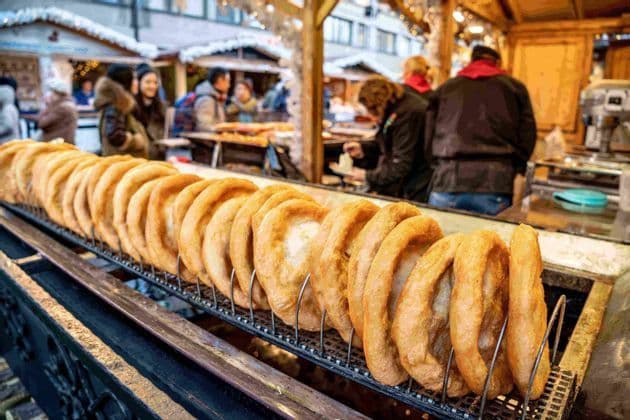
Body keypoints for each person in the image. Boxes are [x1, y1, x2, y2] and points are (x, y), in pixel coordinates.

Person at [425, 45, 537, 216]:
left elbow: (428, 134)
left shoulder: (446, 88)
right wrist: (517, 167)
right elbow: (528, 134)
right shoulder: (515, 88)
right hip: (496, 180)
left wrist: (435, 164)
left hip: (448, 178)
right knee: (489, 242)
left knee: (443, 241)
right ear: (497, 63)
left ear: (472, 61)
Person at [343, 76, 432, 202]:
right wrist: (363, 148)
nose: (371, 116)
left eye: (371, 111)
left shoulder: (407, 114)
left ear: (378, 104)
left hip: (416, 186)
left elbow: (401, 164)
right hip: (408, 184)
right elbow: (390, 142)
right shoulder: (398, 107)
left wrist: (367, 176)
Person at [94, 64, 149, 158]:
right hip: (123, 166)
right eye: (134, 78)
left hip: (125, 164)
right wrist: (136, 141)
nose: (137, 82)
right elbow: (115, 136)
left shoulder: (120, 103)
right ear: (125, 81)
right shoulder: (116, 105)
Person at [133, 63, 164, 158]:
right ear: (138, 83)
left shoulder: (160, 107)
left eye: (155, 82)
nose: (152, 86)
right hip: (137, 161)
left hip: (158, 159)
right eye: (148, 82)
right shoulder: (131, 107)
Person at [37, 79, 78, 143]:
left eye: (52, 93)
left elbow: (42, 124)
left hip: (57, 144)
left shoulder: (62, 107)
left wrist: (47, 106)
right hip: (59, 142)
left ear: (58, 94)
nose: (51, 95)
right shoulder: (65, 104)